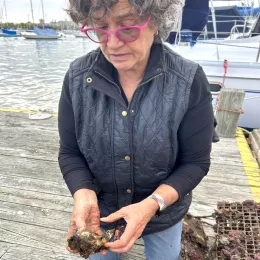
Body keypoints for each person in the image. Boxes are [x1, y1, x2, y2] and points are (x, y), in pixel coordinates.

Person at [58, 0, 214, 259]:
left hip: (164, 212)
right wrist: (83, 193)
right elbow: (70, 152)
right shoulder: (77, 77)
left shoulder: (188, 80)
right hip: (102, 212)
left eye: (127, 27)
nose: (113, 43)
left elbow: (196, 162)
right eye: (101, 28)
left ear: (154, 20)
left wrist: (153, 204)